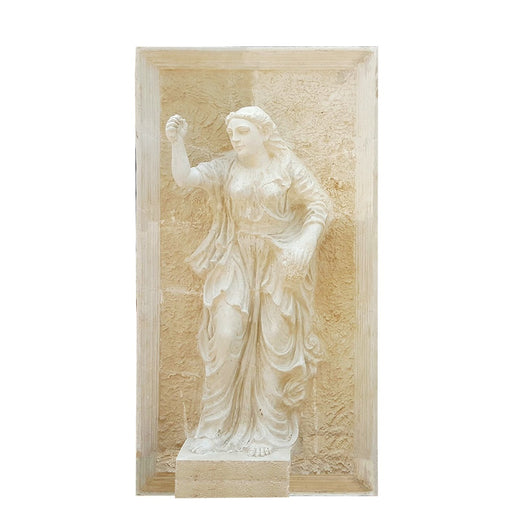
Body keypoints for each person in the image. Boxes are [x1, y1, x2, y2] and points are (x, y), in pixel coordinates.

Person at [166, 106, 330, 457]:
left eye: (243, 132)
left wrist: (305, 242)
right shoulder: (227, 166)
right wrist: (177, 143)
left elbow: (320, 205)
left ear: (263, 133)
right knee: (225, 337)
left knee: (273, 344)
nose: (235, 139)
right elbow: (186, 178)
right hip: (236, 260)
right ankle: (211, 429)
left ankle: (266, 430)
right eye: (232, 134)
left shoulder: (286, 166)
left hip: (277, 260)